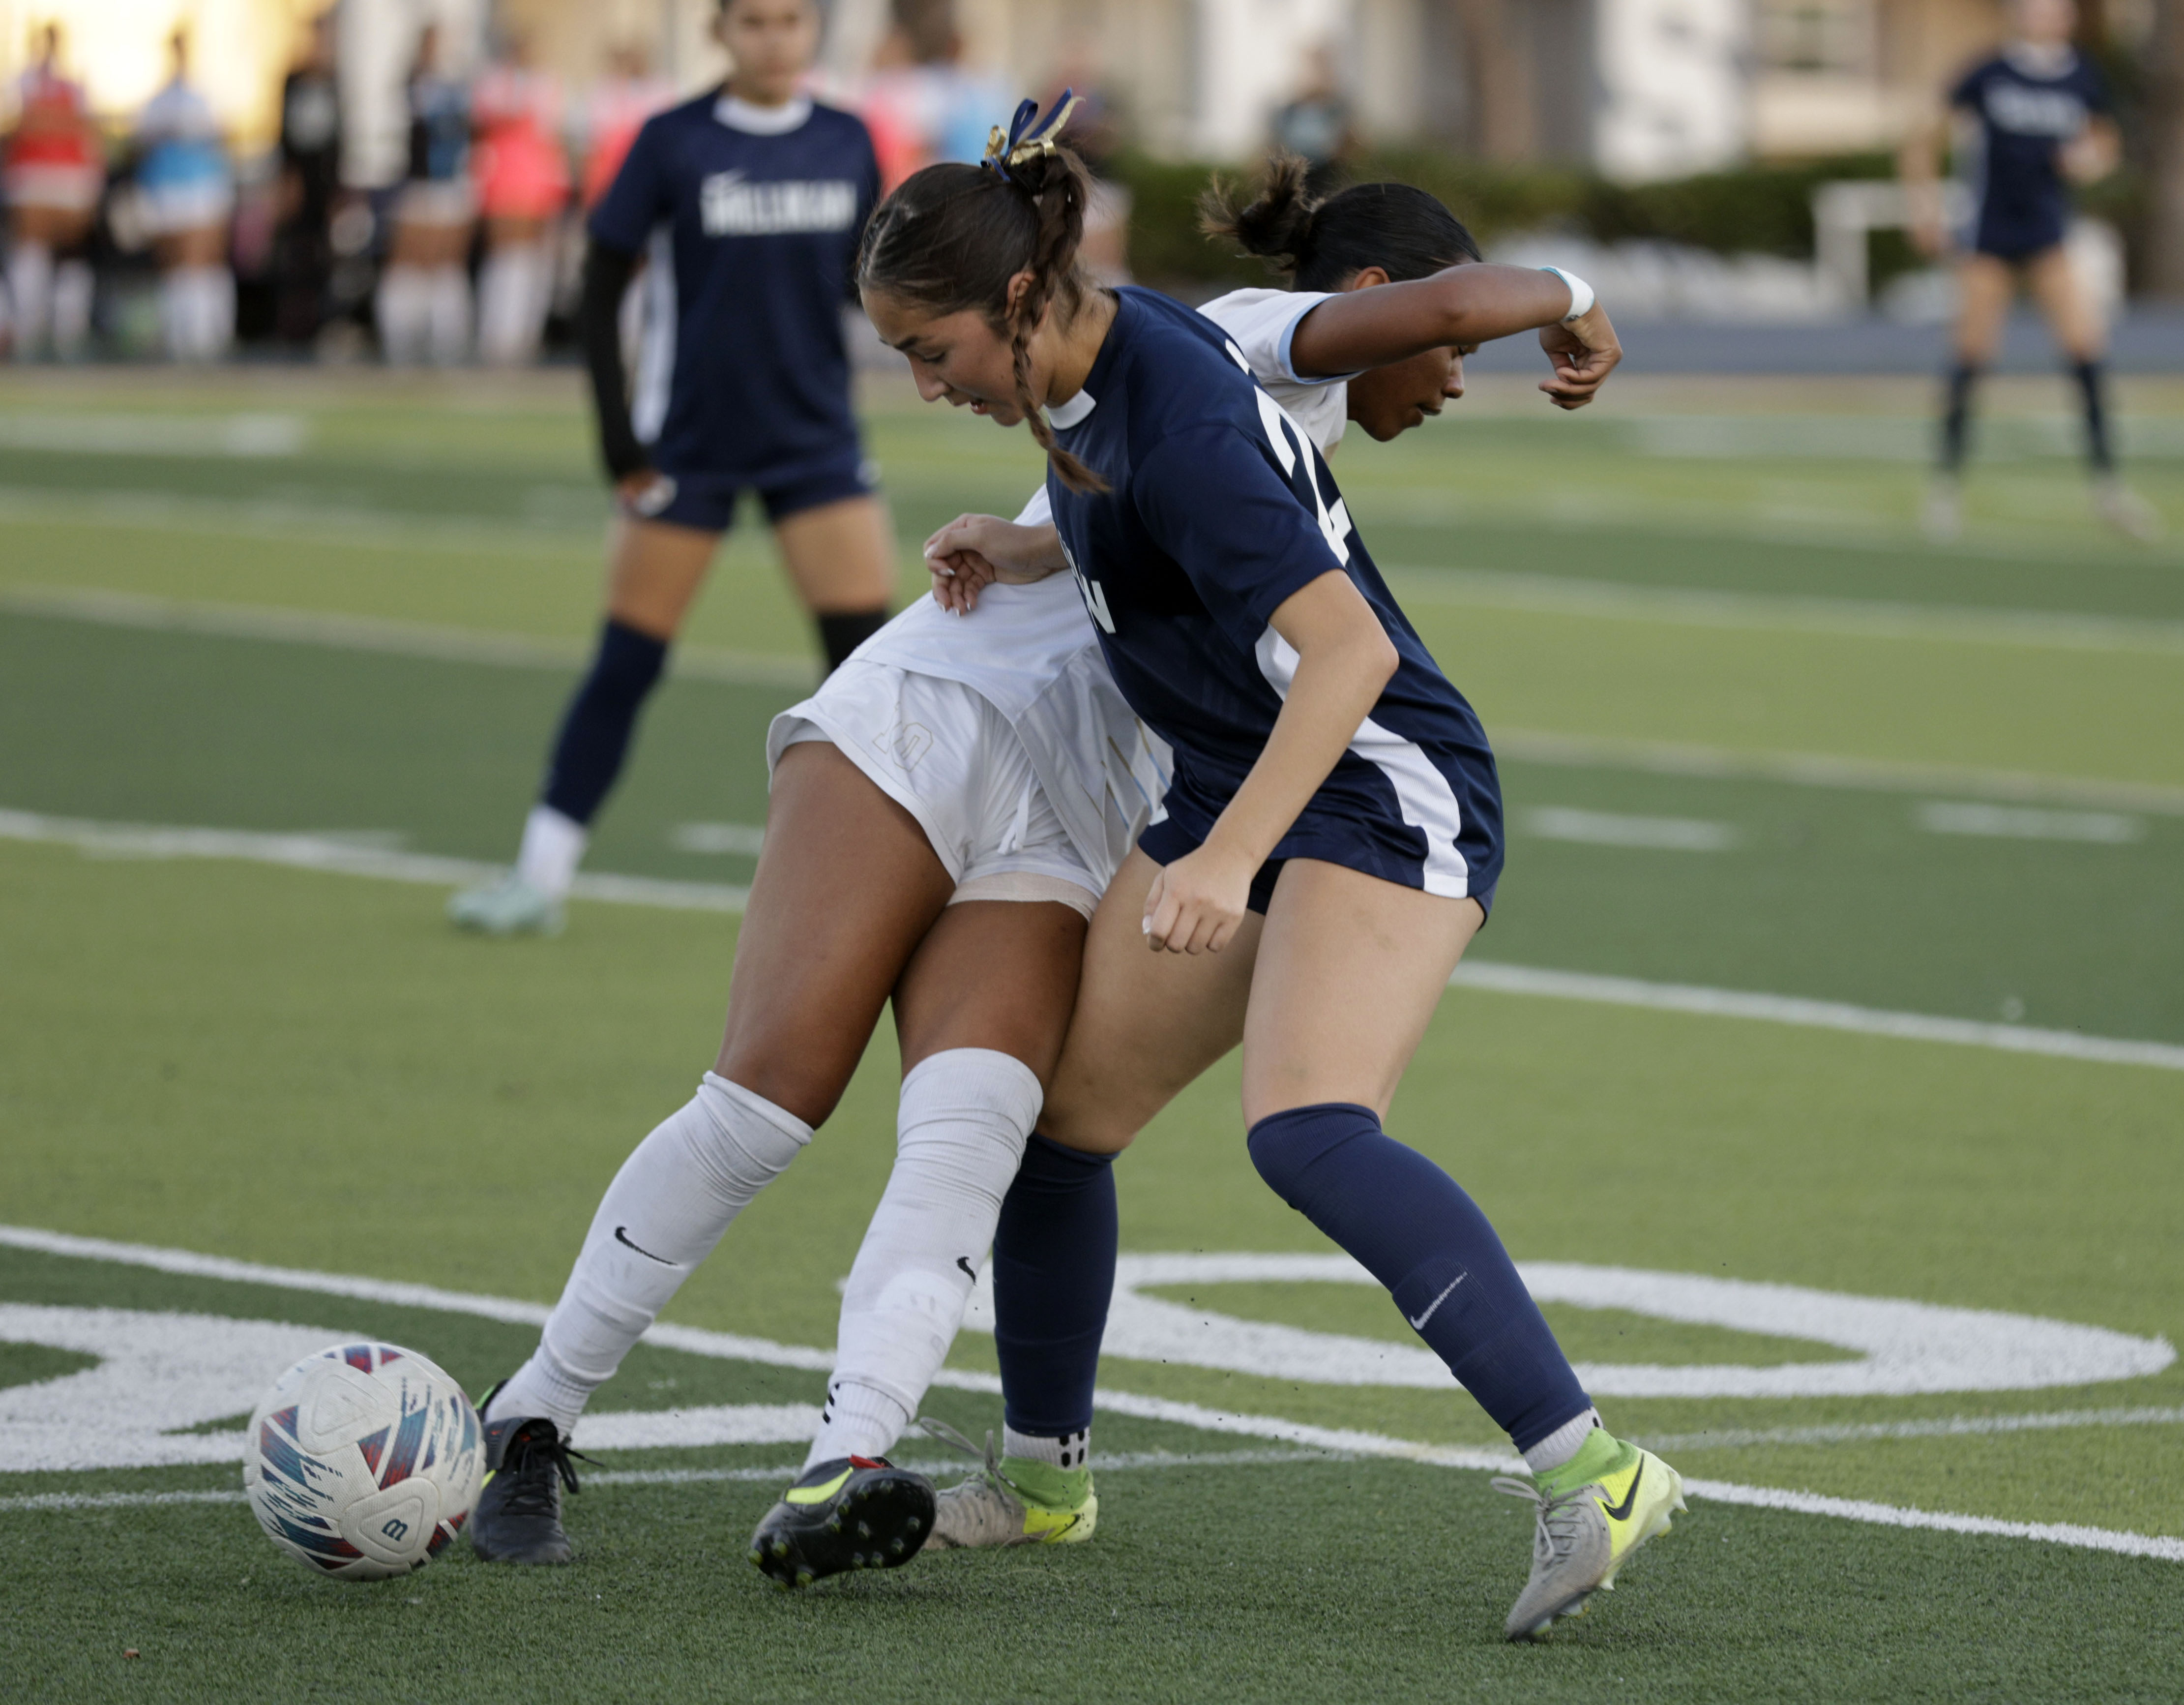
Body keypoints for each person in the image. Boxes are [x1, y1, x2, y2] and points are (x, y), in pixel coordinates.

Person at [455, 133, 1627, 1619]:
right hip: (939, 725)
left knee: (1002, 1116)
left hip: (1094, 794)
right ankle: (538, 1409)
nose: (1451, 385)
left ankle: (858, 1457)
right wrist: (1569, 295)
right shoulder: (1247, 344)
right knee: (770, 1101)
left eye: (921, 350)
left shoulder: (1175, 391)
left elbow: (1162, 510)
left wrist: (1031, 553)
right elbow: (1420, 331)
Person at [850, 100, 1684, 1641]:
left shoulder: (1166, 404)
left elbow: (1349, 652)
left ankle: (1596, 1469)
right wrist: (1025, 544)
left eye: (932, 349)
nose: (925, 382)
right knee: (1062, 1125)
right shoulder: (1106, 358)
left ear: (1017, 300)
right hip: (1252, 774)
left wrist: (1229, 859)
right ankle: (1044, 1481)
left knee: (1306, 1129)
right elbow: (1138, 512)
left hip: (1377, 783)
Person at [446, 0, 895, 937]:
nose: (775, 39)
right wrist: (617, 433)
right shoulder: (670, 140)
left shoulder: (850, 141)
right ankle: (539, 874)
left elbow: (877, 285)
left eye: (792, 22)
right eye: (755, 22)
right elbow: (603, 280)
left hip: (815, 441)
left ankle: (895, 887)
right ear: (720, 33)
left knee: (871, 679)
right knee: (626, 663)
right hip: (689, 442)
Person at [1902, 0, 2157, 540]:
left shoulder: (2082, 76)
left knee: (2086, 352)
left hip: (2048, 236)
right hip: (1988, 237)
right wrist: (1922, 209)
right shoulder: (1988, 71)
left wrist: (2090, 160)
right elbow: (1924, 136)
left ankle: (2107, 489)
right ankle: (1944, 489)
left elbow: (2103, 143)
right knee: (1970, 357)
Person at [3, 24, 103, 360]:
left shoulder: (74, 88)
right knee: (33, 253)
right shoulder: (23, 84)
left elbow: (89, 137)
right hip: (33, 180)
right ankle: (30, 332)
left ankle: (67, 334)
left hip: (69, 182)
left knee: (70, 256)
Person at [376, 24, 473, 365]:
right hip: (421, 183)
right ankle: (403, 340)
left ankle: (445, 342)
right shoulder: (418, 84)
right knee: (410, 265)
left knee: (445, 267)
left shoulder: (459, 87)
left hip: (449, 184)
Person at [134, 29, 234, 362]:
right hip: (167, 190)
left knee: (202, 264)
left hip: (202, 189)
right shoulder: (157, 101)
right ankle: (180, 339)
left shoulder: (207, 95)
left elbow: (222, 138)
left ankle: (206, 339)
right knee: (177, 267)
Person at [471, 31, 570, 366]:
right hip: (505, 181)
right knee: (506, 258)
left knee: (532, 262)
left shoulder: (544, 84)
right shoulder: (495, 82)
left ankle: (524, 336)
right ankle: (498, 335)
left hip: (537, 184)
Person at [271, 10, 341, 349]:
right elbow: (284, 135)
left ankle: (320, 328)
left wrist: (340, 190)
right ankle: (291, 330)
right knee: (294, 254)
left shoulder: (335, 80)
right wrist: (287, 179)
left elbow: (341, 140)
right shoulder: (295, 79)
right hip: (300, 182)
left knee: (324, 257)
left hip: (325, 184)